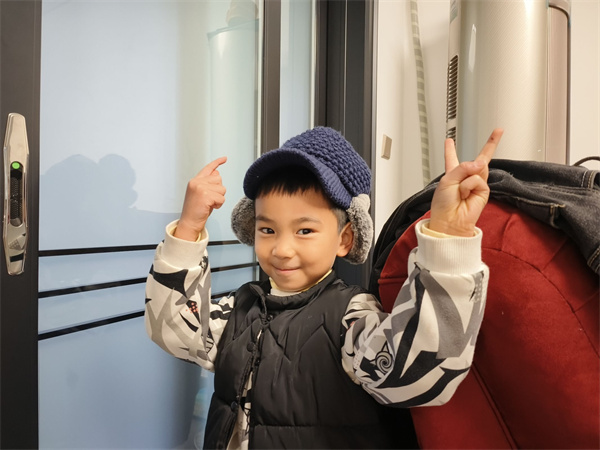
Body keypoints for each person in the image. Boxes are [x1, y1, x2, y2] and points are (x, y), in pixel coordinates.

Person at [145, 126, 503, 449]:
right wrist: (189, 227)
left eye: (305, 230)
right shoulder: (241, 308)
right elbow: (174, 329)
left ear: (345, 239)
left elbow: (415, 370)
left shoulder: (351, 317)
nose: (282, 249)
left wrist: (448, 237)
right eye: (268, 229)